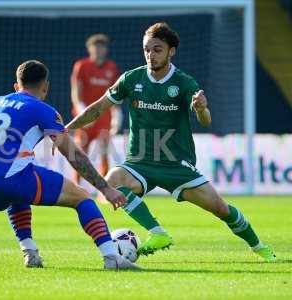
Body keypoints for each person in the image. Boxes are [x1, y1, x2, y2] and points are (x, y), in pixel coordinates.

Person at [66, 23, 276, 262]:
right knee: (112, 179)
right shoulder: (131, 78)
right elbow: (98, 108)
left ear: (170, 51)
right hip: (140, 162)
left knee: (220, 209)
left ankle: (260, 247)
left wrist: (201, 108)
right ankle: (157, 233)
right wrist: (68, 128)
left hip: (177, 164)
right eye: (147, 49)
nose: (150, 55)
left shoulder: (184, 83)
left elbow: (205, 121)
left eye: (157, 50)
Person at [0, 60, 139, 270]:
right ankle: (112, 257)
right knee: (82, 198)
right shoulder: (40, 108)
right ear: (46, 87)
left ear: (16, 86)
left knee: (18, 195)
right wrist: (105, 188)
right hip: (12, 180)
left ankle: (30, 253)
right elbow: (75, 155)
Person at [70, 33, 122, 184]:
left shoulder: (112, 68)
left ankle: (104, 189)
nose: (99, 50)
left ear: (106, 50)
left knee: (104, 152)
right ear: (89, 49)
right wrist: (82, 113)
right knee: (81, 153)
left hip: (104, 118)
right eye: (96, 47)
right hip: (85, 118)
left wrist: (117, 115)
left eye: (102, 47)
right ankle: (77, 186)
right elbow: (76, 94)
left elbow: (115, 93)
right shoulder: (81, 66)